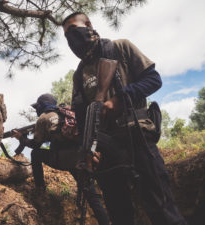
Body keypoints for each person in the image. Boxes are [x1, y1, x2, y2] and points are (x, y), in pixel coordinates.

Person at [62, 12, 188, 225]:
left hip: (136, 135)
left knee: (161, 207)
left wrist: (120, 99)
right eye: (66, 36)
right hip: (106, 150)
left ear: (89, 25)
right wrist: (88, 151)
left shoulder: (120, 47)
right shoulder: (79, 74)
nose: (71, 39)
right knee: (119, 213)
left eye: (74, 30)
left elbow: (153, 80)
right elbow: (82, 117)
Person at [12, 93, 110, 225]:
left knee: (36, 153)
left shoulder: (43, 117)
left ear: (41, 106)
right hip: (80, 160)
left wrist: (21, 138)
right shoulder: (66, 113)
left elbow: (35, 144)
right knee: (93, 199)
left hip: (61, 159)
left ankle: (40, 188)